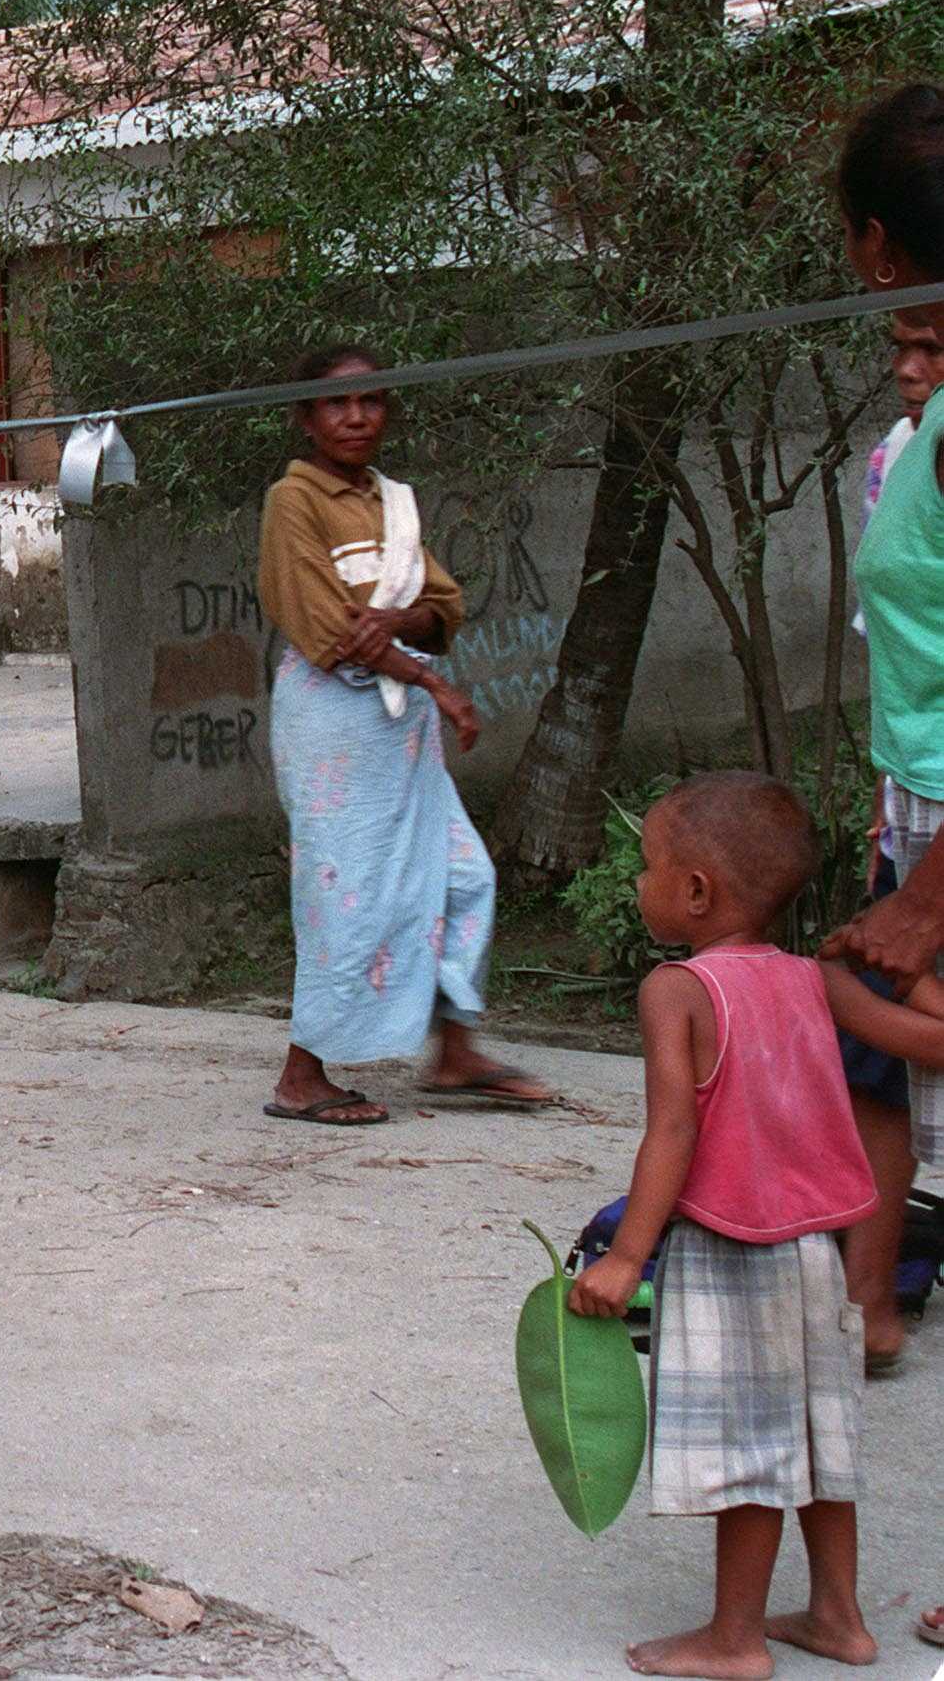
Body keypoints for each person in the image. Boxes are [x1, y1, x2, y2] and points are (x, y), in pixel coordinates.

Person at [570, 773, 879, 1680]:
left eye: (648, 865)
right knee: (821, 1440)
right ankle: (839, 1617)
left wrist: (628, 1256)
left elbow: (673, 1128)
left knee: (751, 1450)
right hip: (817, 1250)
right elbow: (918, 1040)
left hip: (730, 1246)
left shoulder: (680, 990)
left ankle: (734, 1640)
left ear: (696, 891)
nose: (638, 882)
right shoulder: (814, 979)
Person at [255, 343, 551, 1126]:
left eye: (372, 402)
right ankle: (302, 1073)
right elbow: (330, 630)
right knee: (344, 892)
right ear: (305, 416)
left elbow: (443, 606)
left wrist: (404, 621)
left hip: (401, 730)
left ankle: (453, 1051)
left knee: (461, 875)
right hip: (336, 724)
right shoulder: (295, 502)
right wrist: (436, 683)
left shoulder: (393, 504)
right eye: (336, 405)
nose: (356, 417)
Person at [830, 83, 944, 1377]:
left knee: (880, 1028)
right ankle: (870, 1304)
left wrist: (925, 902)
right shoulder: (909, 443)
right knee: (874, 1070)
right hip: (916, 801)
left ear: (874, 243)